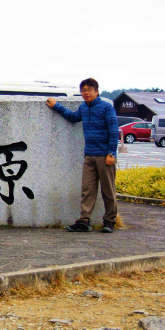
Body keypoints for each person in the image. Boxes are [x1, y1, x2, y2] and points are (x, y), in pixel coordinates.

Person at [46, 78, 119, 233]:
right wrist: (56, 106)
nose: (86, 93)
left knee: (108, 190)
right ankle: (84, 221)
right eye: (83, 90)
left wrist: (111, 152)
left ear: (96, 91)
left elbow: (114, 131)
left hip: (105, 155)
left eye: (89, 90)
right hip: (89, 155)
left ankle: (109, 221)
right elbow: (73, 118)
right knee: (88, 190)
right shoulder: (84, 108)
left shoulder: (106, 108)